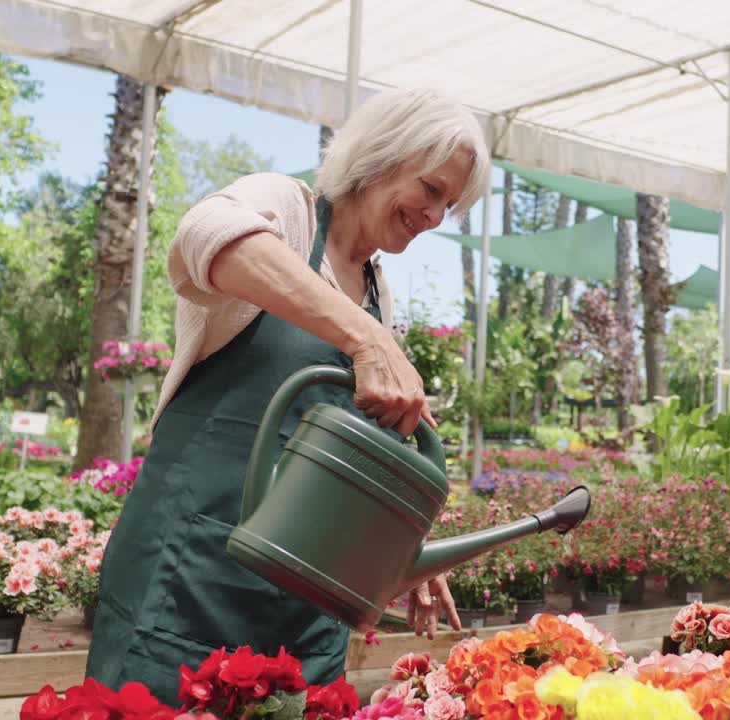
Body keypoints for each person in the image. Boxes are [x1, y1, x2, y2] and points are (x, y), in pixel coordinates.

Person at [85, 88, 491, 704]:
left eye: (449, 204)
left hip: (304, 601)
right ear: (381, 156)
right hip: (190, 576)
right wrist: (364, 338)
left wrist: (395, 551)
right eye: (430, 189)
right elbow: (205, 235)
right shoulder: (286, 209)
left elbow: (349, 457)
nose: (435, 216)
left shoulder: (380, 291)